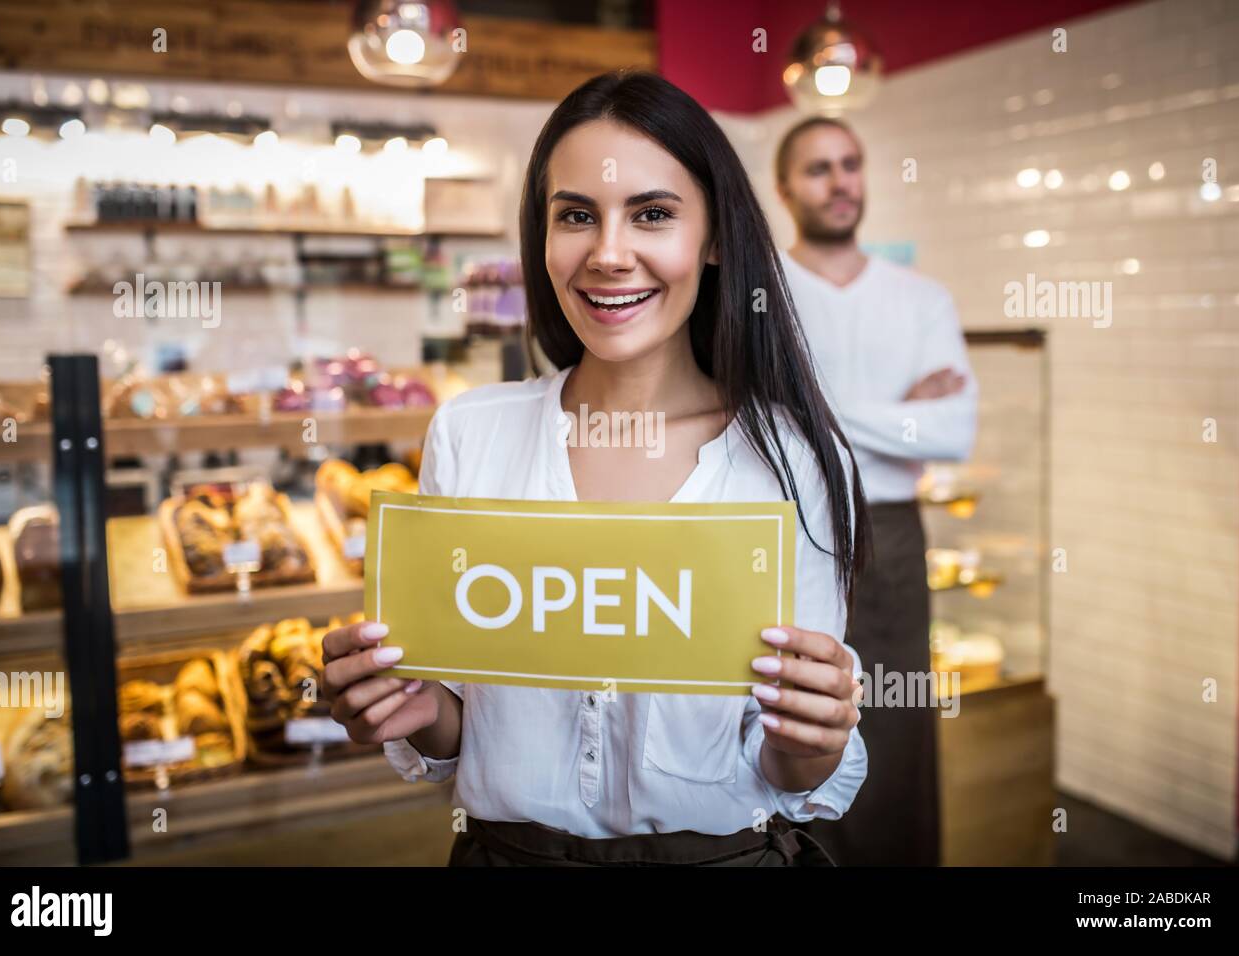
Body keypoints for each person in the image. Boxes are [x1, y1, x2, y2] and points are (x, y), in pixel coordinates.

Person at [320, 70, 871, 867]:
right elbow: (459, 728)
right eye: (576, 215)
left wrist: (815, 742)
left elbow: (783, 769)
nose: (609, 255)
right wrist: (405, 703)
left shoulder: (792, 461)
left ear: (715, 238)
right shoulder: (470, 436)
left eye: (652, 214)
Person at [775, 116, 978, 866]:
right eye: (819, 168)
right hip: (787, 525)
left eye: (850, 164)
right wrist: (899, 412)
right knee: (792, 717)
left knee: (894, 721)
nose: (839, 182)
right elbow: (749, 420)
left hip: (890, 537)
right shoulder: (761, 291)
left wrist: (808, 406)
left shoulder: (920, 298)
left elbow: (953, 429)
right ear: (784, 186)